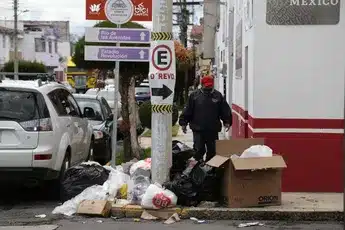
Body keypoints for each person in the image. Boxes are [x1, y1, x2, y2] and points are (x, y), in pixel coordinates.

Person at [179, 75, 232, 163]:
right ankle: (198, 167)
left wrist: (227, 121)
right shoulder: (194, 96)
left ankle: (210, 168)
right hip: (198, 128)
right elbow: (188, 110)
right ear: (202, 85)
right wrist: (183, 123)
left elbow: (224, 110)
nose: (209, 87)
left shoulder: (218, 96)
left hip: (212, 129)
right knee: (198, 150)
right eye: (207, 86)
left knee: (212, 151)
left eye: (210, 85)